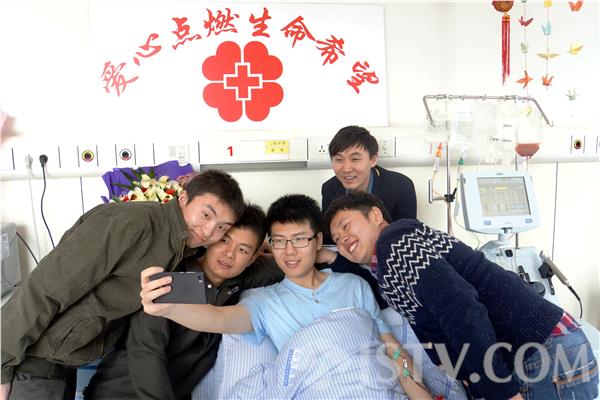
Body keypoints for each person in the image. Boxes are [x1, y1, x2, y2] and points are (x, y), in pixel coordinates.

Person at [141, 194, 433, 399]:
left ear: (318, 241)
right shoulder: (264, 302)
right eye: (279, 242)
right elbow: (217, 318)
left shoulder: (354, 285)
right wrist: (168, 308)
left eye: (299, 240)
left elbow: (394, 351)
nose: (289, 252)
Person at [323, 191, 599, 400]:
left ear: (375, 215)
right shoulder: (388, 265)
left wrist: (500, 391)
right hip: (542, 347)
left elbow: (461, 311)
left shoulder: (394, 244)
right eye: (336, 238)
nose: (342, 239)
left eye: (346, 225)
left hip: (539, 353)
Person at [1, 170, 245, 400]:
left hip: (62, 364)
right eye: (206, 215)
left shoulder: (179, 249)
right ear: (183, 197)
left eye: (221, 227)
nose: (209, 231)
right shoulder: (129, 223)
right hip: (34, 362)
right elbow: (44, 289)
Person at [83, 204, 284, 400]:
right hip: (120, 392)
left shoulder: (239, 279)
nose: (229, 254)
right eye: (224, 241)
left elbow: (290, 263)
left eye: (243, 250)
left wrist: (268, 248)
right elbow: (146, 352)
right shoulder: (170, 276)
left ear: (252, 259)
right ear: (212, 238)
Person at [321, 125, 417, 226]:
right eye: (339, 160)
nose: (346, 169)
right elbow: (329, 232)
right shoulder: (329, 189)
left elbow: (407, 231)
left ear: (373, 160)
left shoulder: (401, 187)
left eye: (355, 159)